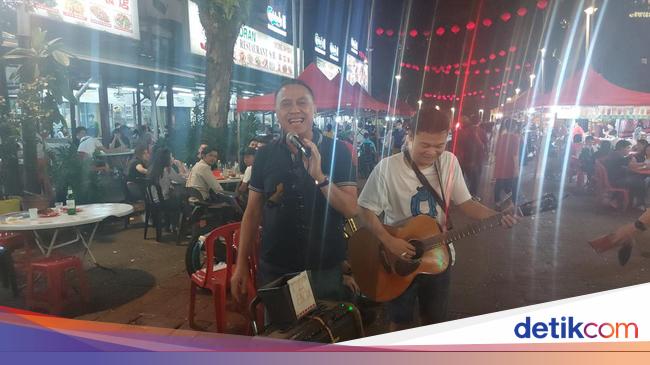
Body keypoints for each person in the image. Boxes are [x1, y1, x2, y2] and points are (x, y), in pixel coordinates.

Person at [356, 107, 518, 331]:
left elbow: (467, 204)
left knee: (435, 322)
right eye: (425, 144)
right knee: (399, 322)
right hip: (397, 259)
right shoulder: (387, 169)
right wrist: (388, 240)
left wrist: (497, 217)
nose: (432, 152)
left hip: (438, 260)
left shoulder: (449, 163)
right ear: (410, 136)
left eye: (439, 145)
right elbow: (365, 210)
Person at [230, 79, 357, 304]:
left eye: (302, 102)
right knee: (280, 335)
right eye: (286, 104)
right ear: (277, 112)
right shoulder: (265, 154)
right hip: (276, 268)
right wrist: (240, 265)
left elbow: (350, 209)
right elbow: (251, 213)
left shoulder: (338, 151)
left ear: (314, 108)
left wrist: (319, 177)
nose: (295, 110)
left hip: (325, 266)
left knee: (326, 335)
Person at [602, 140, 646, 210]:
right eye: (628, 148)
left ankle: (624, 201)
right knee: (640, 182)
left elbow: (623, 165)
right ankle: (639, 204)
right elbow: (626, 163)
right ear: (622, 148)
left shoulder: (614, 154)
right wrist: (631, 158)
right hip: (616, 180)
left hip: (614, 178)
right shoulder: (617, 156)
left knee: (637, 179)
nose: (629, 150)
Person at [455, 115, 487, 197]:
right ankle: (472, 197)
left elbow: (455, 146)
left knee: (461, 179)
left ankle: (460, 196)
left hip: (461, 160)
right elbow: (483, 144)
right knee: (474, 180)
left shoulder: (459, 132)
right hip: (474, 160)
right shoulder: (477, 131)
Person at [493, 118, 521, 205]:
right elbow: (515, 155)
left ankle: (497, 201)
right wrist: (516, 169)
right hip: (509, 165)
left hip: (500, 164)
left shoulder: (501, 137)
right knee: (514, 184)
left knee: (499, 183)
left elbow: (496, 152)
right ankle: (513, 203)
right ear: (514, 127)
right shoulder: (515, 138)